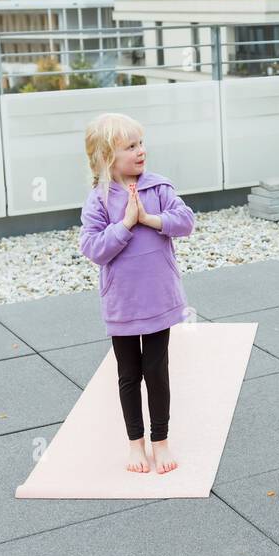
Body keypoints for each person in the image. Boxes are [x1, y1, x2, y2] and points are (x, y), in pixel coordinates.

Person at [78, 112, 195, 475]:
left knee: (157, 370)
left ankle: (160, 441)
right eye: (130, 146)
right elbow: (93, 248)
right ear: (107, 157)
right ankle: (136, 444)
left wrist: (150, 219)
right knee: (129, 374)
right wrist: (126, 223)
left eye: (141, 143)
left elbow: (186, 221)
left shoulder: (159, 188)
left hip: (158, 299)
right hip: (123, 304)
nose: (140, 151)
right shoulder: (98, 201)